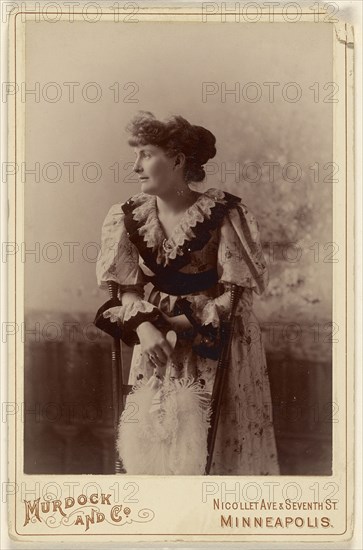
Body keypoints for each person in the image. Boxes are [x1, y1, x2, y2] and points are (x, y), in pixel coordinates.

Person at [95, 111, 280, 475]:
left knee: (216, 439)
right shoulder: (128, 216)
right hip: (156, 342)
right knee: (156, 433)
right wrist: (146, 327)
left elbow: (234, 297)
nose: (136, 167)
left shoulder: (224, 215)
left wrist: (179, 324)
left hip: (215, 336)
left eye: (146, 154)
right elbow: (126, 290)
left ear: (178, 160)